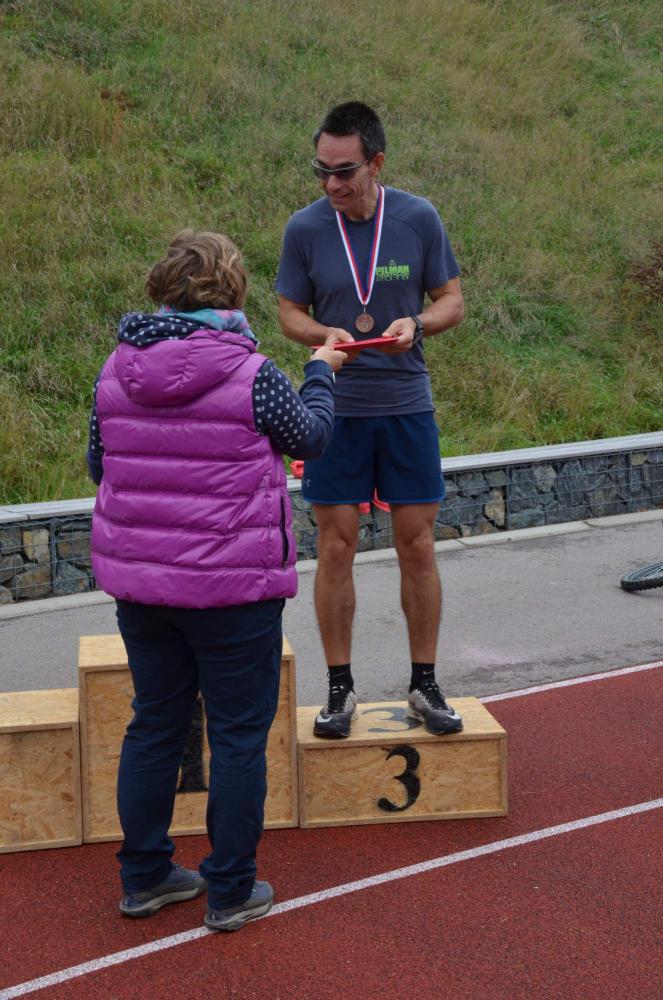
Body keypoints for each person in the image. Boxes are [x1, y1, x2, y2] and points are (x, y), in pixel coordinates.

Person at [87, 230, 345, 931]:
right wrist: (321, 372)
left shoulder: (115, 368)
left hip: (143, 587)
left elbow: (99, 463)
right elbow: (311, 438)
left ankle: (145, 878)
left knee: (154, 724)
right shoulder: (252, 371)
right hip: (233, 590)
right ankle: (230, 889)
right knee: (236, 738)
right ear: (231, 290)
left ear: (161, 288)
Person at [276, 101, 465, 739]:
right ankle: (340, 689)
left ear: (376, 163)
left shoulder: (417, 217)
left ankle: (424, 683)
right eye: (321, 170)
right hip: (335, 410)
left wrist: (420, 323)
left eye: (344, 171)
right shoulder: (305, 228)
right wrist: (321, 333)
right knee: (335, 546)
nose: (331, 184)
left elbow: (452, 300)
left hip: (406, 404)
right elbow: (289, 314)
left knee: (417, 544)